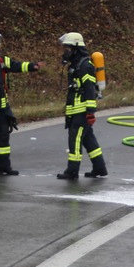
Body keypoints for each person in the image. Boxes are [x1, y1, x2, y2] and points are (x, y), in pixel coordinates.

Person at [0, 28, 41, 176]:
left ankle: (3, 166)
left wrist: (32, 66)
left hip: (2, 107)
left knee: (3, 138)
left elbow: (15, 65)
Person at [55, 32, 107, 180]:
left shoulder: (85, 65)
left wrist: (90, 112)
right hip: (76, 110)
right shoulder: (76, 65)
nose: (65, 52)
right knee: (88, 140)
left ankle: (72, 171)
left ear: (75, 48)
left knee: (75, 140)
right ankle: (100, 168)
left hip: (82, 111)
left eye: (67, 48)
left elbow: (90, 88)